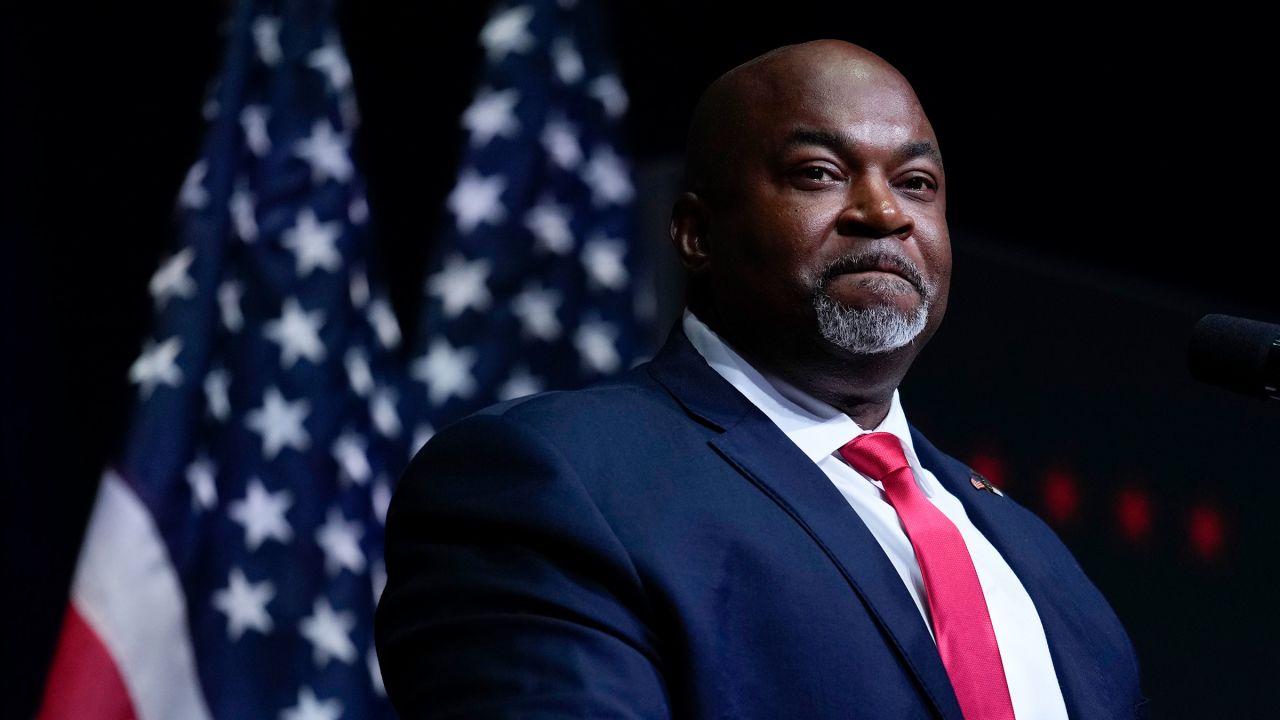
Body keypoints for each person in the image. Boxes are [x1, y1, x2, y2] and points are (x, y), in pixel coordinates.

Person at [375, 39, 1145, 719]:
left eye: (916, 183)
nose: (883, 212)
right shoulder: (555, 480)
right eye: (820, 173)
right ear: (697, 233)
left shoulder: (1031, 557)